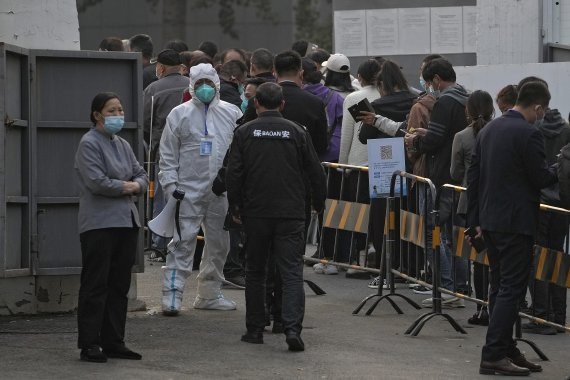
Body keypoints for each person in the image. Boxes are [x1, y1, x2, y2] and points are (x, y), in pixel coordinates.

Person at [226, 82, 326, 351]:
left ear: (255, 104)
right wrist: (318, 203)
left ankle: (255, 329)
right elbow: (316, 172)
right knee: (292, 271)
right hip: (291, 212)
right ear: (282, 105)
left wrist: (235, 207)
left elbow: (234, 173)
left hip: (255, 212)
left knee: (256, 271)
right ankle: (292, 328)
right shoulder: (298, 132)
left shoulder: (244, 132)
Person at [467, 81, 556, 376]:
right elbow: (540, 178)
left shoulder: (489, 129)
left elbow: (474, 176)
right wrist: (559, 167)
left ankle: (505, 348)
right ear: (538, 107)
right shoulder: (529, 133)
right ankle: (493, 354)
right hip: (516, 223)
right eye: (541, 112)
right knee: (511, 289)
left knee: (498, 286)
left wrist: (474, 220)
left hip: (490, 221)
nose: (540, 117)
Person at [159, 63, 242, 315]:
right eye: (199, 83)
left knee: (219, 244)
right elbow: (167, 155)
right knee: (182, 243)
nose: (204, 88)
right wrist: (170, 185)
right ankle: (172, 296)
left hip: (221, 192)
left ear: (217, 84)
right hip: (188, 190)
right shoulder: (179, 114)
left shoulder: (232, 113)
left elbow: (239, 154)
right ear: (191, 86)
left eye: (208, 83)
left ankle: (208, 294)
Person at [75, 92, 148, 363]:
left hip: (126, 220)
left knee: (119, 285)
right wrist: (127, 186)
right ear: (97, 115)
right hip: (99, 223)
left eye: (120, 110)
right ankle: (90, 343)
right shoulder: (89, 143)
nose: (118, 115)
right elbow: (97, 182)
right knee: (96, 284)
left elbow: (141, 174)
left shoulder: (123, 144)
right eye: (112, 110)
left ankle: (114, 340)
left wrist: (132, 184)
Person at [404, 58, 470, 307]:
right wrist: (429, 134)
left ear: (435, 80)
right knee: (455, 236)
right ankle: (462, 289)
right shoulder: (467, 98)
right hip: (457, 180)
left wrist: (417, 142)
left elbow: (436, 141)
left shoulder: (445, 101)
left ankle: (445, 287)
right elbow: (447, 136)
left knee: (433, 232)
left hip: (439, 177)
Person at [521, 78, 570, 335]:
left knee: (537, 257)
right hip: (562, 202)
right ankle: (559, 316)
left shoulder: (532, 129)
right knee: (558, 256)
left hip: (539, 202)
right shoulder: (566, 128)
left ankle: (540, 314)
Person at [450, 90, 494, 326]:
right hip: (495, 202)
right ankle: (498, 306)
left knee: (478, 257)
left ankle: (481, 308)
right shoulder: (498, 132)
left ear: (467, 110)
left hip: (470, 204)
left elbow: (454, 173)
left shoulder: (462, 136)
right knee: (496, 257)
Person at [143, 49, 190, 259]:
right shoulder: (192, 85)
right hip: (191, 151)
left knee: (162, 196)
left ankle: (160, 242)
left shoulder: (154, 88)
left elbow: (145, 121)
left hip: (163, 150)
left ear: (160, 67)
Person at [274, 50, 328, 156]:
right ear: (301, 74)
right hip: (302, 165)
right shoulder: (315, 103)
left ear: (274, 73)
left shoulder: (258, 101)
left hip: (265, 166)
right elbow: (321, 145)